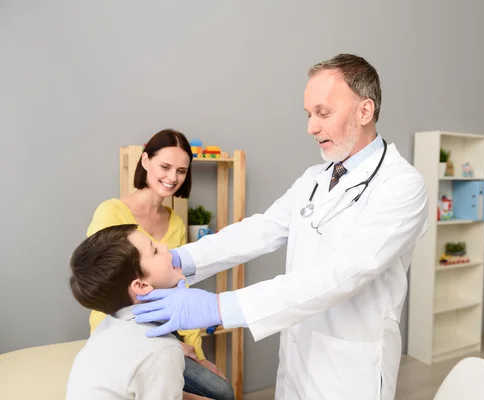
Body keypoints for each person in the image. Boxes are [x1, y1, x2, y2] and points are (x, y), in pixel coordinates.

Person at [133, 54, 429, 399]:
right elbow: (259, 230)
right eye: (308, 114)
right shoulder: (314, 179)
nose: (311, 127)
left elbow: (344, 273)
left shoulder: (402, 185)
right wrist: (179, 260)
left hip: (350, 370)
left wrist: (218, 307)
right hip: (298, 356)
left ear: (364, 111)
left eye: (323, 112)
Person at [86, 129, 233, 400]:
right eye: (165, 166)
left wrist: (196, 352)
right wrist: (170, 345)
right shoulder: (111, 212)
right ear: (145, 161)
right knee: (220, 394)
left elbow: (180, 287)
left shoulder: (175, 222)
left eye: (181, 170)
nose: (172, 177)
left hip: (165, 330)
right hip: (125, 333)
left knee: (222, 389)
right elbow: (102, 287)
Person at [66, 224, 212, 400]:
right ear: (141, 286)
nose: (165, 247)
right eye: (155, 251)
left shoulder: (110, 324)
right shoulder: (162, 351)